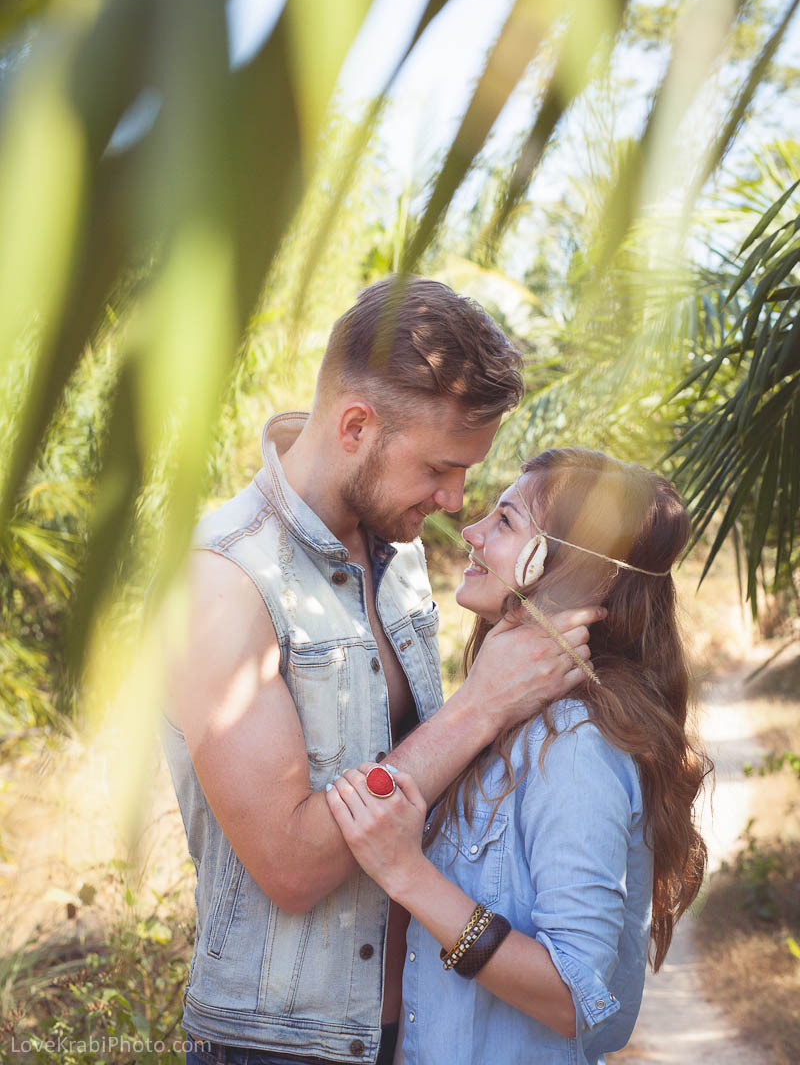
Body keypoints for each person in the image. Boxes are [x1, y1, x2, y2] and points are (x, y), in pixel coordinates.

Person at [160, 279, 603, 1065]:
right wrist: (481, 706)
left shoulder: (395, 560)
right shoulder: (226, 578)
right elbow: (291, 866)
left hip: (417, 1032)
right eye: (440, 467)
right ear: (357, 425)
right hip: (280, 1048)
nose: (455, 499)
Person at [326, 448, 710, 1065]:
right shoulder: (506, 716)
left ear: (578, 570)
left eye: (504, 523)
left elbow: (573, 999)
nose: (471, 533)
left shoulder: (578, 745)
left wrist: (407, 874)